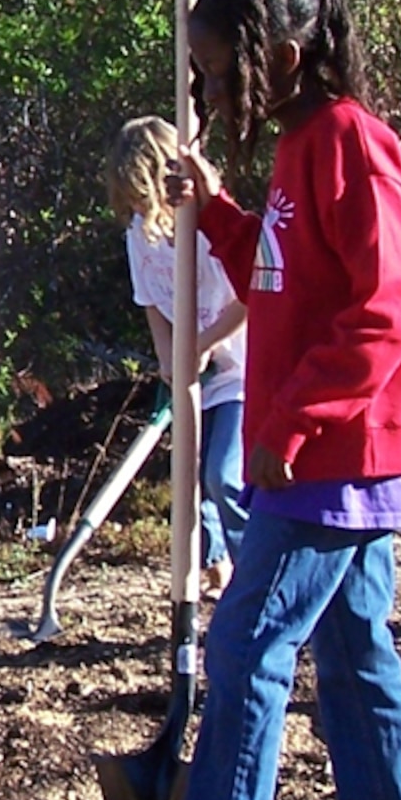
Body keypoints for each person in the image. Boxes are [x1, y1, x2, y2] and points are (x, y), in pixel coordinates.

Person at [102, 0, 401, 800]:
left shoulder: (347, 142)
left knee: (244, 641)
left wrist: (292, 421)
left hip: (338, 455)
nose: (208, 93)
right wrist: (216, 209)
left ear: (285, 56)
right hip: (321, 450)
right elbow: (282, 278)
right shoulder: (296, 149)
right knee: (350, 654)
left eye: (219, 73)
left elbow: (390, 300)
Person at [106, 115, 249, 592]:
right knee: (189, 480)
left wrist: (203, 346)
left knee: (224, 476)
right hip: (193, 376)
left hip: (242, 373)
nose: (137, 206)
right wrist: (169, 358)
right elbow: (151, 304)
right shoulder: (138, 237)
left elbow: (250, 299)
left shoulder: (207, 230)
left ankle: (257, 577)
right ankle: (215, 568)